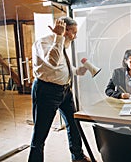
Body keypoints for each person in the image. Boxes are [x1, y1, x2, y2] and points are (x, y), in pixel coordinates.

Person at [28, 17, 90, 162]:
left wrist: (76, 71)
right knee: (40, 134)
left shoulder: (62, 44)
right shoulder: (43, 42)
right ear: (64, 30)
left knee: (73, 124)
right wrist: (58, 37)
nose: (75, 36)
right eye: (73, 32)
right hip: (46, 92)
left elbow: (61, 66)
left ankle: (78, 156)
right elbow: (52, 62)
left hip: (65, 91)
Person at [105, 49, 131, 143]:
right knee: (119, 130)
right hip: (121, 105)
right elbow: (108, 90)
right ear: (125, 61)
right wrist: (120, 95)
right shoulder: (118, 73)